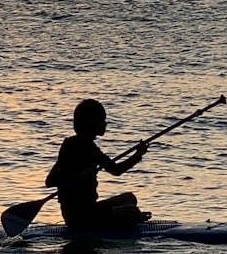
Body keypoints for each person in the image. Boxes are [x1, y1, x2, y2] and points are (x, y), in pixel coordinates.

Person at [45, 99, 151, 231]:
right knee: (132, 212)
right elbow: (50, 181)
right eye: (102, 120)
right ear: (90, 123)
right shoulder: (70, 146)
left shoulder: (93, 149)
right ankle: (129, 218)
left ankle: (125, 217)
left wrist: (137, 155)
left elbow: (116, 170)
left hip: (91, 209)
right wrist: (79, 175)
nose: (105, 124)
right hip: (78, 216)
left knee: (130, 198)